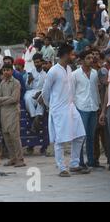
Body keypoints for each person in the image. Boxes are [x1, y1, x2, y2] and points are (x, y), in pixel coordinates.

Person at [41, 44, 88, 177]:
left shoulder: (68, 68)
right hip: (58, 109)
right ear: (66, 54)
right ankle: (62, 168)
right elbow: (45, 92)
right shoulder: (53, 71)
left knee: (80, 135)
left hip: (71, 107)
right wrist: (51, 106)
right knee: (60, 140)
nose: (74, 56)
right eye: (72, 54)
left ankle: (74, 164)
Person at [72, 50, 99, 168]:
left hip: (93, 107)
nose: (91, 60)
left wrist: (98, 105)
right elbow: (72, 93)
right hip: (81, 108)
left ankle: (91, 161)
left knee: (91, 136)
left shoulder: (95, 73)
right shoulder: (75, 74)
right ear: (82, 60)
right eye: (88, 58)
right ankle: (80, 162)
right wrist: (74, 109)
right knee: (81, 137)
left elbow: (96, 90)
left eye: (91, 58)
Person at [0, 64, 25, 167]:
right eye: (4, 70)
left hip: (13, 112)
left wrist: (3, 100)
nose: (5, 72)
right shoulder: (2, 83)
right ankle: (13, 158)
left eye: (8, 70)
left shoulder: (16, 83)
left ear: (12, 71)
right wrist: (7, 99)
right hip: (4, 113)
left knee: (15, 136)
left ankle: (20, 159)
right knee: (7, 136)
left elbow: (15, 99)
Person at [24, 53, 47, 120]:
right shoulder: (31, 72)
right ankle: (34, 117)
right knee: (27, 98)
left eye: (38, 62)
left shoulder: (45, 74)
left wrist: (40, 93)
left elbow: (46, 87)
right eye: (35, 62)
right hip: (32, 92)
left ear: (41, 62)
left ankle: (37, 118)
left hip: (42, 92)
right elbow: (27, 87)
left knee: (41, 101)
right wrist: (29, 81)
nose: (36, 64)